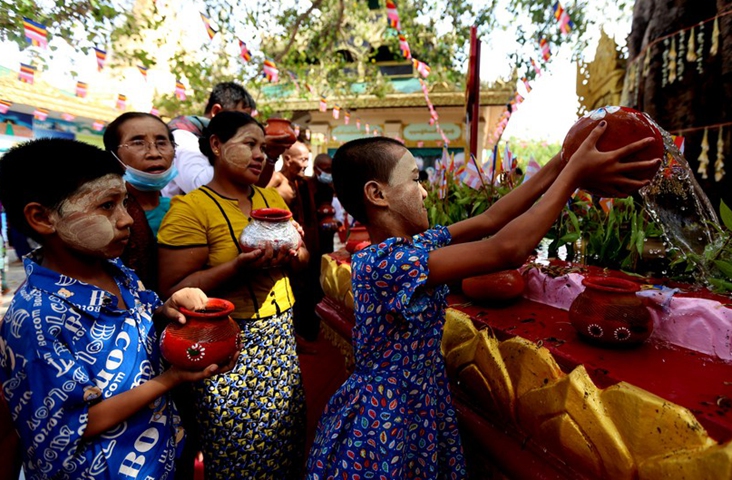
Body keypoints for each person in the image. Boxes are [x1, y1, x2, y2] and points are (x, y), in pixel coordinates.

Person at [305, 127, 660, 478]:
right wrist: (575, 176)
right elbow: (507, 249)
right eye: (414, 180)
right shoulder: (387, 263)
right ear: (377, 193)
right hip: (386, 415)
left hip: (417, 401)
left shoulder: (414, 246)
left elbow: (493, 219)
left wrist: (564, 159)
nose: (424, 191)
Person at [0, 138, 236, 480]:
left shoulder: (118, 272)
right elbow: (78, 422)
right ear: (42, 218)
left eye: (124, 202)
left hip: (161, 457)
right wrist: (171, 379)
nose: (126, 219)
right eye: (107, 206)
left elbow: (138, 323)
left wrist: (169, 308)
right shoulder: (35, 316)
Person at [157, 111, 309, 478]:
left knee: (286, 439)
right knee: (238, 451)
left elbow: (302, 263)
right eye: (249, 144)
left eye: (262, 147)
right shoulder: (191, 208)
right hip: (228, 342)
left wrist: (296, 252)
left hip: (279, 339)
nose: (260, 155)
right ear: (216, 146)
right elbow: (174, 289)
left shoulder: (272, 197)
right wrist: (238, 268)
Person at [162, 82, 293, 197]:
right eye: (241, 117)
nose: (247, 124)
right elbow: (201, 186)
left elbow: (254, 188)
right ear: (216, 112)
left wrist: (270, 156)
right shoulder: (182, 135)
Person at [103, 112, 176, 291]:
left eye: (161, 142)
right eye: (137, 143)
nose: (154, 153)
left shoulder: (181, 209)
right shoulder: (104, 217)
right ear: (114, 156)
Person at [268, 141, 321, 341]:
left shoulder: (303, 182)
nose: (306, 164)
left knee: (310, 291)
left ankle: (307, 333)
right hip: (288, 247)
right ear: (288, 159)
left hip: (309, 245)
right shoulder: (276, 180)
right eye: (303, 159)